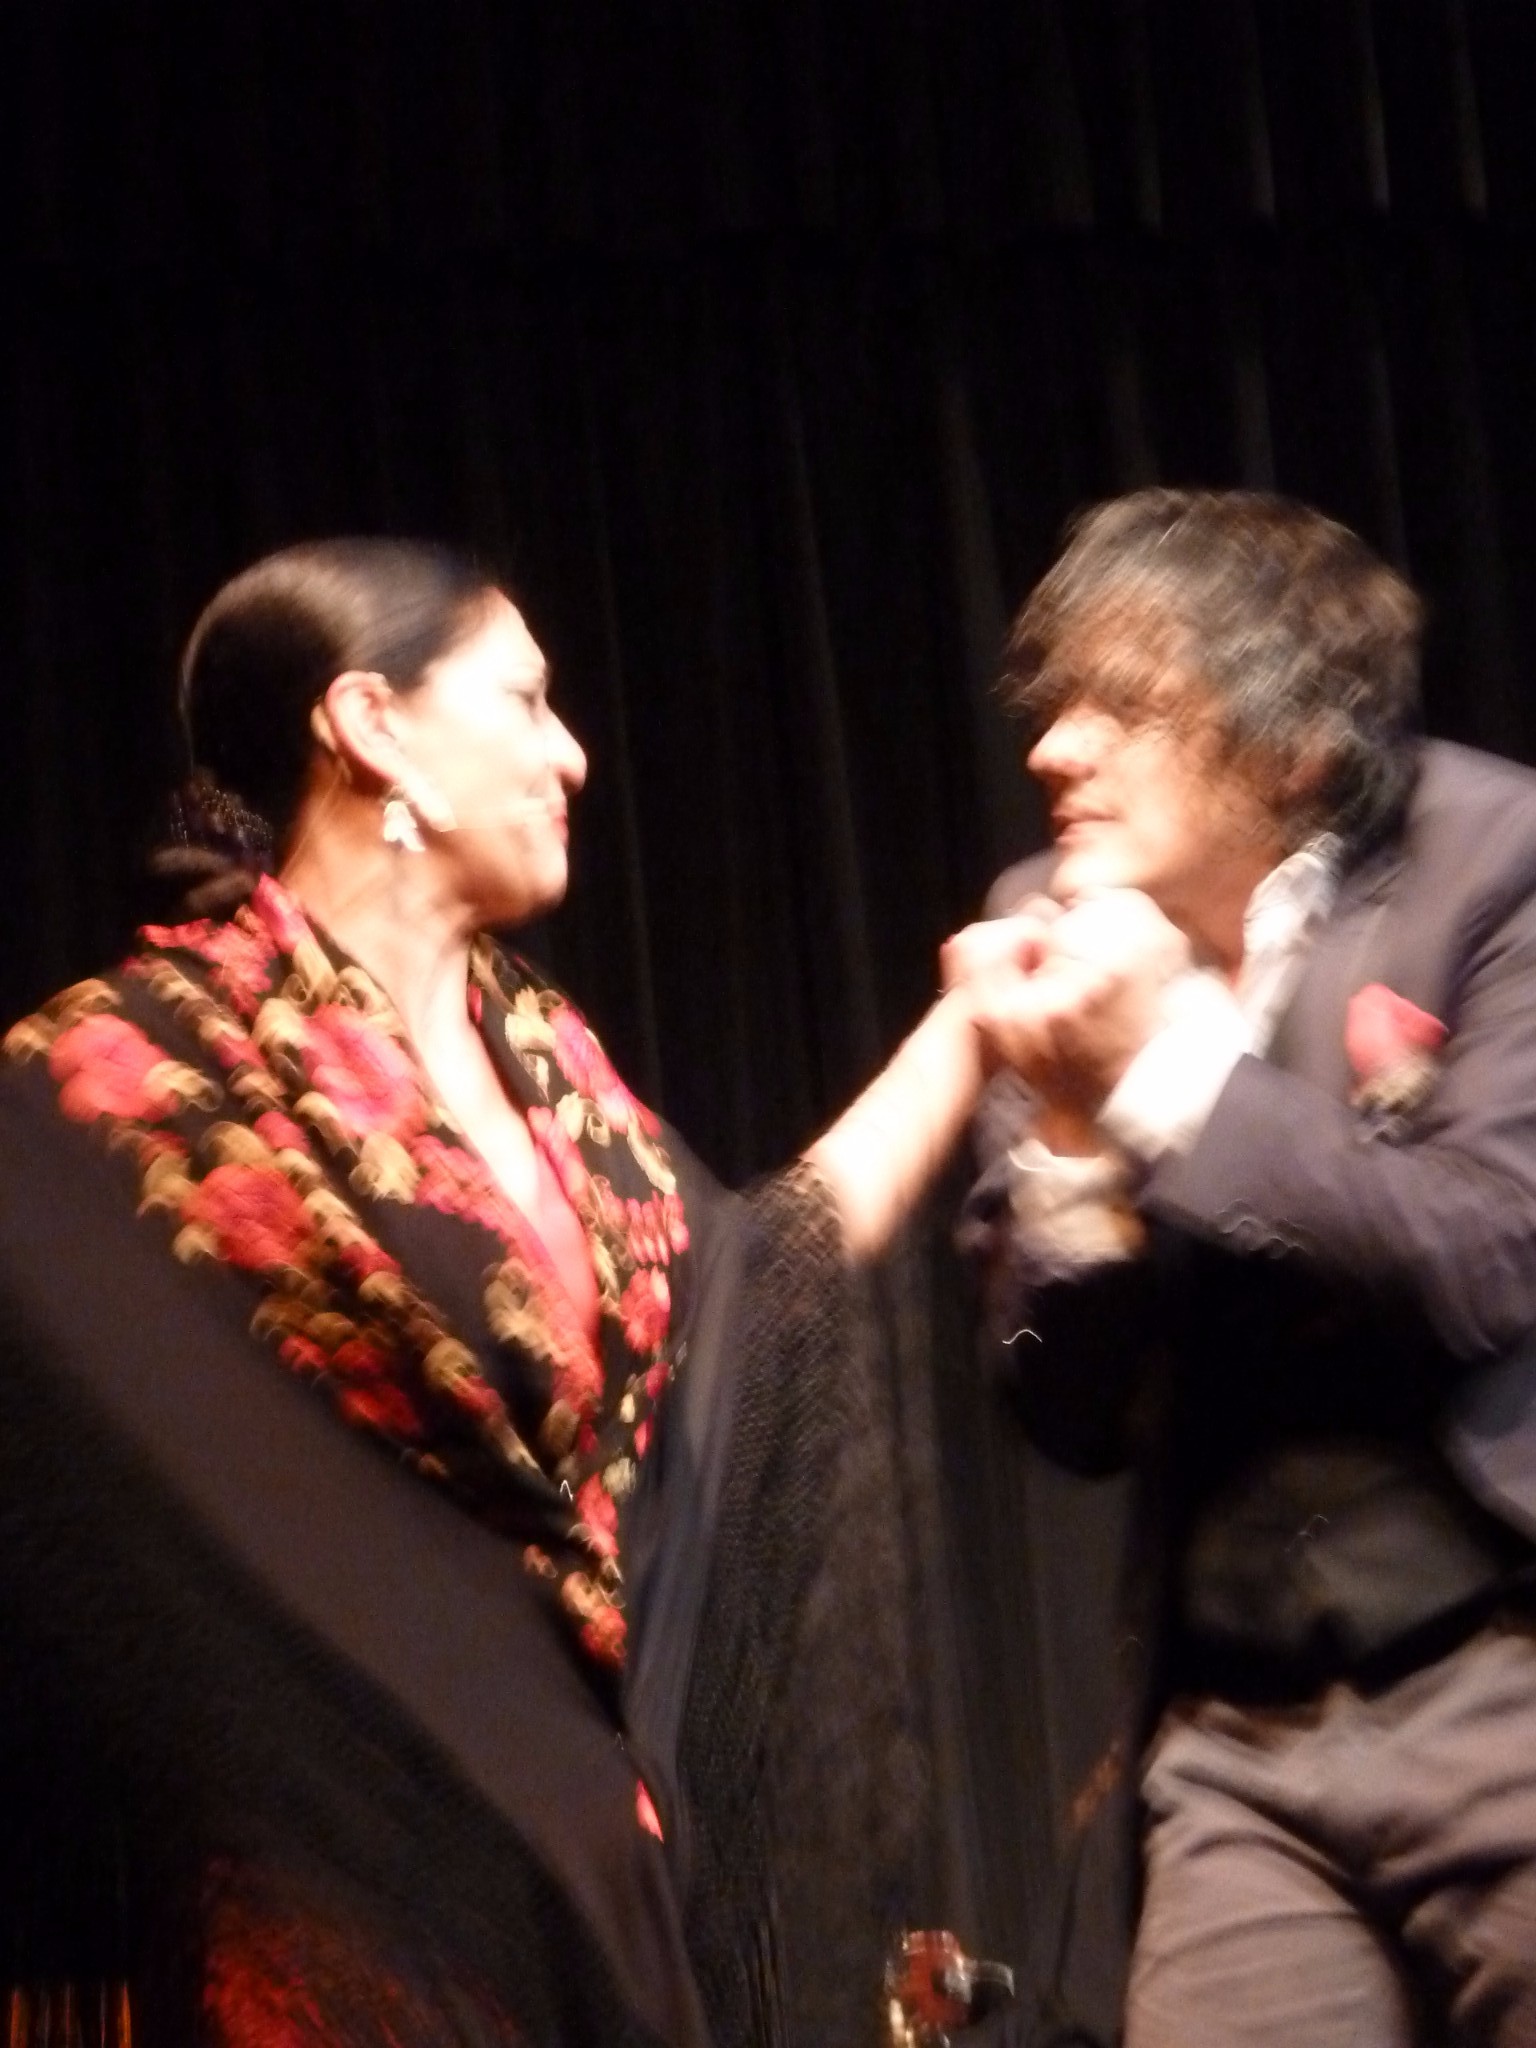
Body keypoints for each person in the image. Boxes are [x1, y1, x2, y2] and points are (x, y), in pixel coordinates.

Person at [0, 539, 1020, 2048]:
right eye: (525, 700)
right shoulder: (124, 1075)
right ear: (373, 725)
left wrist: (971, 1028)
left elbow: (745, 1306)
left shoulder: (550, 1064)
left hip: (599, 1885)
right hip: (357, 1917)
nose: (573, 753)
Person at [953, 489, 1536, 2046]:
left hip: (1506, 1667)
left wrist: (1166, 1076)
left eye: (1122, 707)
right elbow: (1066, 1413)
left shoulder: (1495, 858)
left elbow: (1488, 1257)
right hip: (1236, 1739)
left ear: (1296, 745)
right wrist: (1070, 1140)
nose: (1054, 751)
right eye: (1055, 705)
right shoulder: (1049, 932)